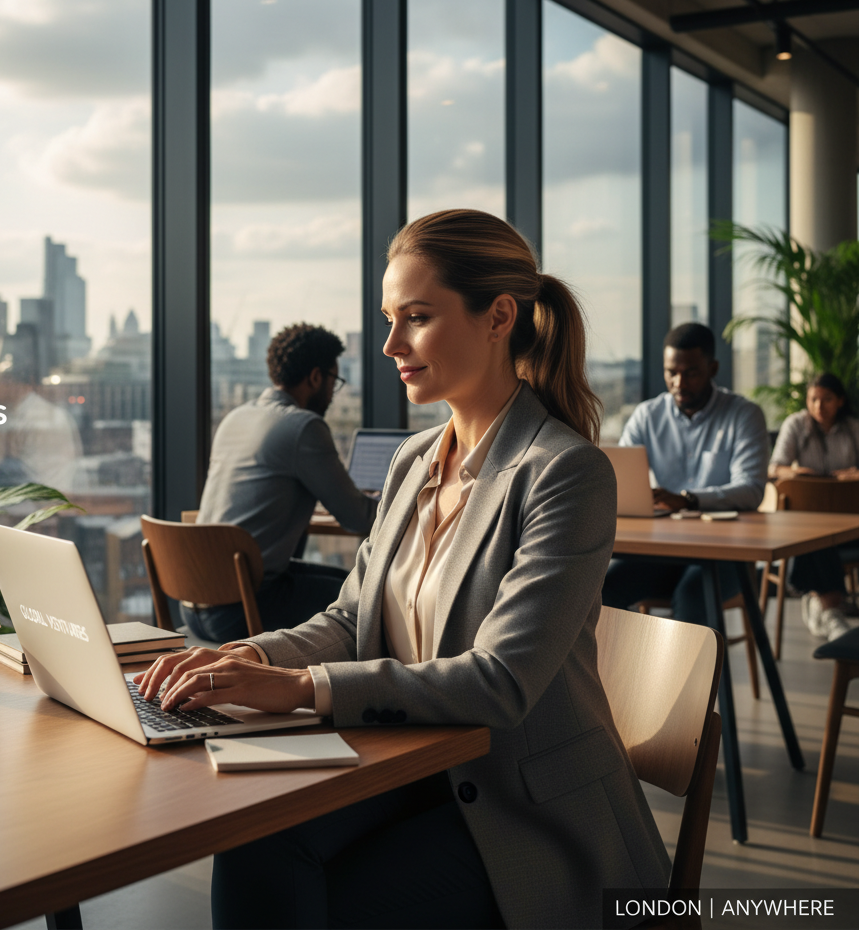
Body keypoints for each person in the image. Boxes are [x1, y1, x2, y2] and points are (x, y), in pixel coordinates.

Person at [136, 210, 671, 929]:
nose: (389, 345)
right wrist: (249, 656)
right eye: (389, 319)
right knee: (254, 844)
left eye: (416, 318)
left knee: (338, 901)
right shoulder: (413, 461)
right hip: (417, 766)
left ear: (498, 317)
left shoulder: (564, 473)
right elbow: (352, 616)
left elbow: (502, 681)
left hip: (521, 804)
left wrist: (298, 687)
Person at [188, 323, 378, 642]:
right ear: (316, 377)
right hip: (244, 609)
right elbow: (358, 517)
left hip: (194, 606)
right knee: (367, 596)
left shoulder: (236, 417)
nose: (332, 393)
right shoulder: (303, 426)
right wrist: (412, 498)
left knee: (346, 581)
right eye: (335, 381)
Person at [602, 322, 769, 625]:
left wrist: (689, 500)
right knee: (601, 590)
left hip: (726, 554)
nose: (679, 382)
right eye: (671, 372)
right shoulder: (647, 416)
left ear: (713, 368)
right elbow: (620, 479)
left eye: (691, 372)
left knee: (694, 596)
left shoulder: (744, 415)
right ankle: (620, 672)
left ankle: (698, 675)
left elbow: (752, 489)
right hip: (663, 552)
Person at [769, 372, 859, 641]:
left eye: (827, 399)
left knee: (819, 537)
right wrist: (796, 473)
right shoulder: (796, 425)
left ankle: (816, 598)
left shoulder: (854, 428)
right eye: (813, 400)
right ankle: (830, 607)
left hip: (849, 522)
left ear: (840, 401)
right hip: (805, 522)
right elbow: (774, 468)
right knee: (813, 534)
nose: (819, 406)